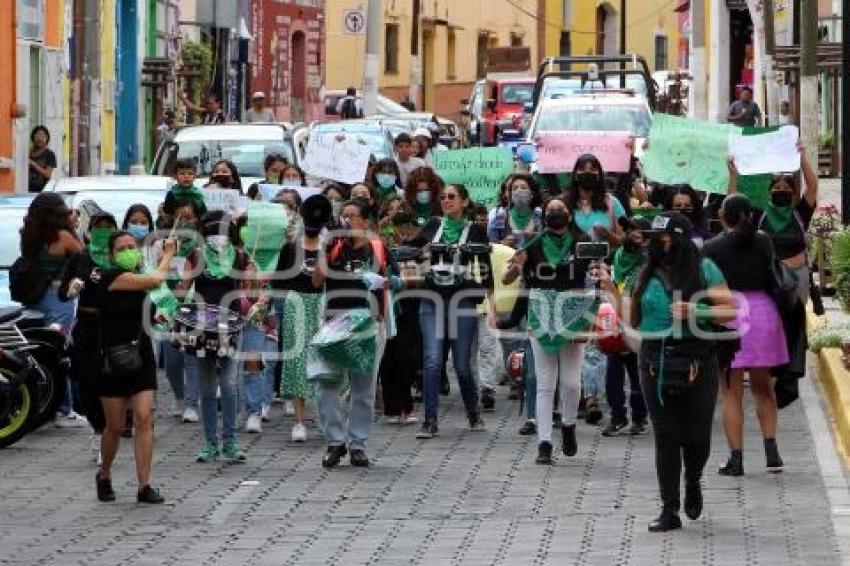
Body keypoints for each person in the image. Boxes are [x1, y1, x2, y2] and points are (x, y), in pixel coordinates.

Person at [625, 212, 736, 532]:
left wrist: (695, 310)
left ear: (682, 240)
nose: (660, 244)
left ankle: (694, 478)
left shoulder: (705, 268)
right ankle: (669, 509)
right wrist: (612, 291)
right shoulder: (645, 271)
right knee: (666, 436)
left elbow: (730, 310)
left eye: (667, 237)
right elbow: (632, 321)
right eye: (656, 238)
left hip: (697, 359)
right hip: (653, 361)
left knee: (698, 436)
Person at [502, 196, 598, 463]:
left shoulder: (583, 243)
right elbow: (507, 277)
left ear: (570, 214)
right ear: (544, 215)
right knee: (544, 383)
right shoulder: (532, 243)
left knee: (570, 382)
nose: (556, 213)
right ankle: (544, 443)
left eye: (561, 210)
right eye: (551, 210)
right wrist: (518, 265)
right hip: (541, 313)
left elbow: (596, 276)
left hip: (574, 313)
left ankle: (568, 424)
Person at [312, 199, 401, 467]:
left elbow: (396, 280)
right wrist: (323, 251)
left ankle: (358, 443)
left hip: (368, 324)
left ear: (366, 221)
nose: (346, 221)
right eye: (344, 216)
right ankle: (335, 442)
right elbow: (317, 280)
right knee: (327, 385)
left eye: (352, 216)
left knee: (363, 389)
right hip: (334, 323)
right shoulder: (334, 246)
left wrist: (384, 281)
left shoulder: (379, 248)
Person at [704, 195, 789, 475]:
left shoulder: (712, 247)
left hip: (730, 315)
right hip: (763, 313)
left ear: (723, 215)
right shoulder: (763, 240)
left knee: (730, 391)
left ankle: (736, 459)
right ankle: (771, 450)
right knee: (763, 388)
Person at [95, 230, 178, 504]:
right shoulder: (112, 278)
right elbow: (156, 278)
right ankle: (104, 474)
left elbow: (155, 309)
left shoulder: (143, 281)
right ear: (111, 255)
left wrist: (162, 317)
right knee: (115, 426)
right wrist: (168, 255)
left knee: (144, 416)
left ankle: (145, 485)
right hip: (113, 358)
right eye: (122, 248)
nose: (129, 251)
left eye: (132, 246)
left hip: (141, 355)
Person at [406, 184, 492, 439]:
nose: (446, 200)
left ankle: (473, 411)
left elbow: (485, 269)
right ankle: (430, 421)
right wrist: (414, 253)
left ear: (464, 201)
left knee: (462, 365)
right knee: (432, 360)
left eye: (451, 197)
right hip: (432, 299)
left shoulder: (475, 230)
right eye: (442, 197)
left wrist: (492, 304)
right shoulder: (434, 226)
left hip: (462, 300)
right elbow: (408, 248)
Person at [181, 211, 248, 463]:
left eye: (222, 230)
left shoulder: (240, 256)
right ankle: (210, 443)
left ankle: (230, 441)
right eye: (212, 231)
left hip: (231, 328)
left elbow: (250, 289)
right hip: (201, 329)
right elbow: (182, 289)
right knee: (208, 387)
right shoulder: (196, 256)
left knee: (229, 385)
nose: (217, 236)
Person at [20, 193, 86, 425]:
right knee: (60, 352)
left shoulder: (28, 235)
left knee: (38, 350)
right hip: (59, 299)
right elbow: (83, 260)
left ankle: (41, 404)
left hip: (35, 299)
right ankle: (64, 409)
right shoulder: (63, 236)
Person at [273, 196, 327, 442]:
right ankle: (299, 420)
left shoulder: (331, 247)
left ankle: (326, 415)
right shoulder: (291, 246)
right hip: (297, 302)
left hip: (323, 302)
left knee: (326, 357)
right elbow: (280, 280)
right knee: (297, 358)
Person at [602, 216, 650, 437]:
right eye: (629, 230)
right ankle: (617, 417)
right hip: (613, 315)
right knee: (613, 369)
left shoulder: (649, 260)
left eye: (639, 233)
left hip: (637, 317)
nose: (633, 235)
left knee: (636, 370)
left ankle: (639, 417)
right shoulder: (616, 256)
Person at [377, 197, 420, 424]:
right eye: (391, 210)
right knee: (388, 354)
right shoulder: (378, 239)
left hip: (410, 301)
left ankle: (407, 402)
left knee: (407, 354)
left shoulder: (418, 236)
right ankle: (391, 406)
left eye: (400, 210)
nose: (396, 214)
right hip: (386, 300)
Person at [488, 174, 544, 249]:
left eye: (523, 188)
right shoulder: (499, 217)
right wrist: (502, 243)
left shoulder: (540, 215)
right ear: (511, 195)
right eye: (515, 188)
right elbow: (490, 246)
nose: (519, 190)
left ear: (532, 194)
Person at [162, 159, 206, 223]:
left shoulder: (198, 194)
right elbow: (167, 214)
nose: (186, 176)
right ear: (175, 176)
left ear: (195, 176)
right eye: (182, 174)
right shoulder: (172, 194)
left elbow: (203, 214)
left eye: (190, 174)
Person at [28, 125, 57, 193]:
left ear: (47, 139)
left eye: (43, 136)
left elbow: (47, 174)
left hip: (42, 191)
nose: (40, 139)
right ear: (33, 137)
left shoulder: (50, 154)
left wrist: (33, 164)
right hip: (26, 189)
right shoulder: (28, 153)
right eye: (37, 136)